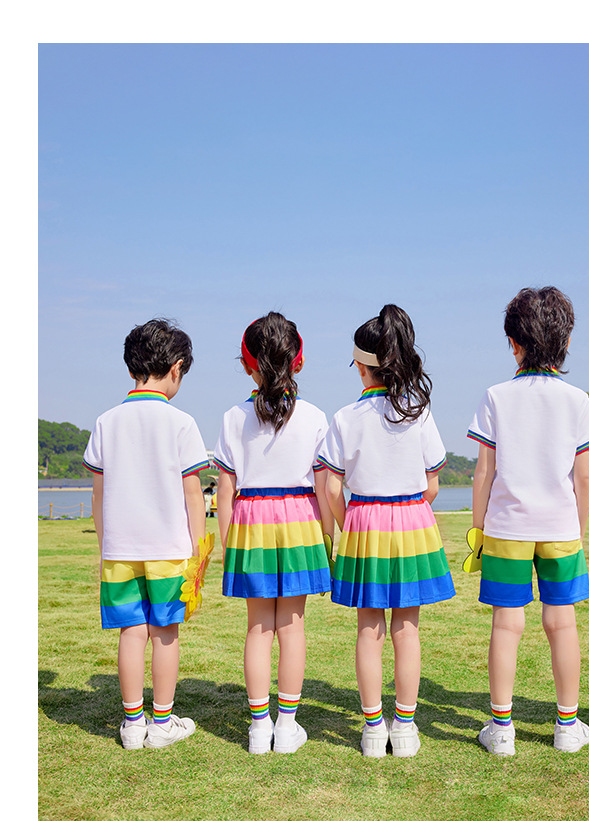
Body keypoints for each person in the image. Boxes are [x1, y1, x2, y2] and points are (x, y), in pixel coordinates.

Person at [467, 286, 589, 756]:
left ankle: (502, 729)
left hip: (506, 528)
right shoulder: (577, 400)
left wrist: (479, 529)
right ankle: (567, 726)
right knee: (562, 624)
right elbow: (582, 476)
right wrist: (578, 531)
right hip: (561, 528)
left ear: (514, 343)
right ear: (566, 342)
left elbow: (483, 472)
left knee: (507, 625)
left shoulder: (496, 397)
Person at [318, 304, 455, 758]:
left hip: (364, 522)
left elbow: (332, 487)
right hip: (412, 520)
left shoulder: (345, 417)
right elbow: (433, 483)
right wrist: (409, 512)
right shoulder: (418, 410)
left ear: (361, 367)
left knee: (368, 629)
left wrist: (351, 524)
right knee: (407, 629)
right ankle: (407, 726)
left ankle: (374, 728)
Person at [83, 318, 209, 750]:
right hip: (168, 548)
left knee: (131, 632)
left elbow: (98, 493)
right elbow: (193, 494)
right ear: (176, 368)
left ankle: (133, 723)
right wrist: (198, 549)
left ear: (131, 365)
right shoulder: (181, 423)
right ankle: (163, 722)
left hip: (119, 548)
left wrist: (105, 543)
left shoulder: (106, 421)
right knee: (165, 632)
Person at [214, 313, 333, 755]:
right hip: (300, 520)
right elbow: (324, 486)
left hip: (250, 522)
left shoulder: (233, 417)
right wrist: (327, 538)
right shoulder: (315, 417)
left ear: (248, 365)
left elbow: (225, 490)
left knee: (258, 628)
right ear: (297, 362)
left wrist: (229, 545)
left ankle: (258, 727)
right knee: (292, 627)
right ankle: (286, 727)